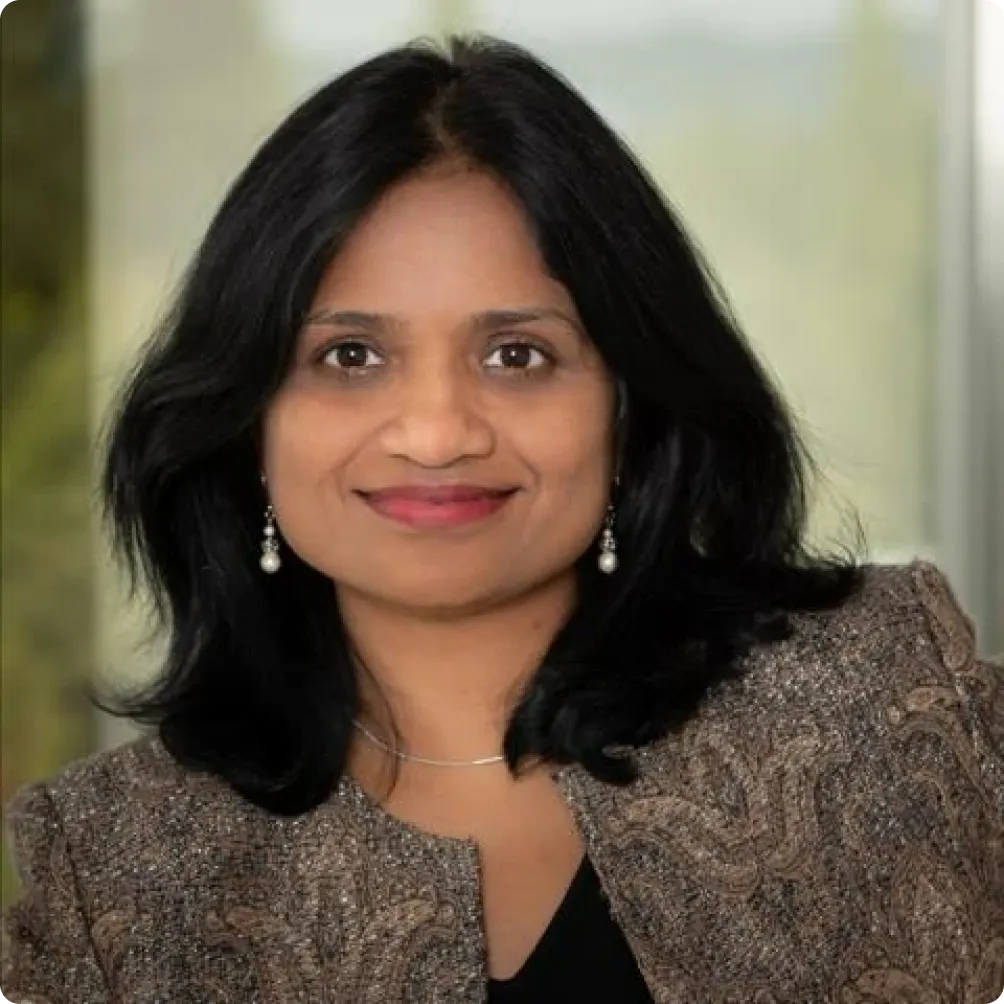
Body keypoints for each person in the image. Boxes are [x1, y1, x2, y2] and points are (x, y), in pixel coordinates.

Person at [2, 33, 1001, 1004]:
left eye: (515, 354)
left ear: (627, 403)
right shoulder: (113, 871)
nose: (436, 433)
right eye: (349, 356)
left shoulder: (894, 707)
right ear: (244, 420)